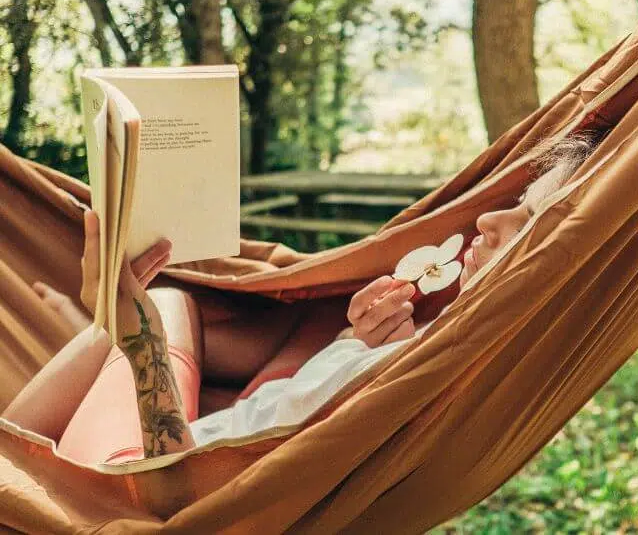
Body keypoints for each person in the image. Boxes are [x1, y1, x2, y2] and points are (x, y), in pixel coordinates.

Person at [2, 133, 598, 463]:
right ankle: (91, 333)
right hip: (216, 426)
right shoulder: (434, 342)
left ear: (554, 268)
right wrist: (354, 339)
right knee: (175, 303)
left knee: (158, 309)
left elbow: (163, 493)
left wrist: (136, 339)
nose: (489, 217)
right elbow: (316, 396)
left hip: (141, 473)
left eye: (525, 221)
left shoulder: (443, 377)